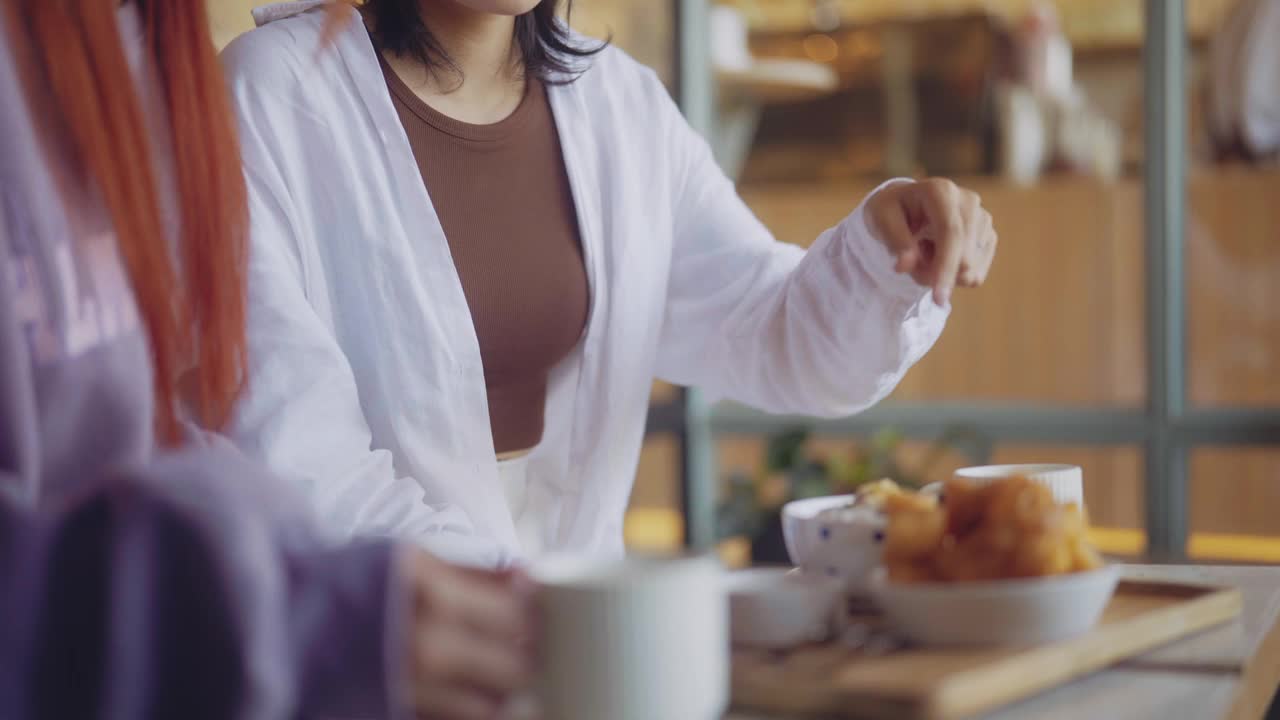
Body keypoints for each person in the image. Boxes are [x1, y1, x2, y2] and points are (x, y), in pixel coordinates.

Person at [220, 0, 999, 567]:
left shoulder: (619, 107)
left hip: (583, 641)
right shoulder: (271, 96)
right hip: (376, 642)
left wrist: (884, 250)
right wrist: (522, 604)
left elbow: (771, 335)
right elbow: (294, 458)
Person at [0, 1, 530, 717]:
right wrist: (293, 616)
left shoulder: (142, 39)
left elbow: (143, 437)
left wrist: (309, 585)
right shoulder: (260, 79)